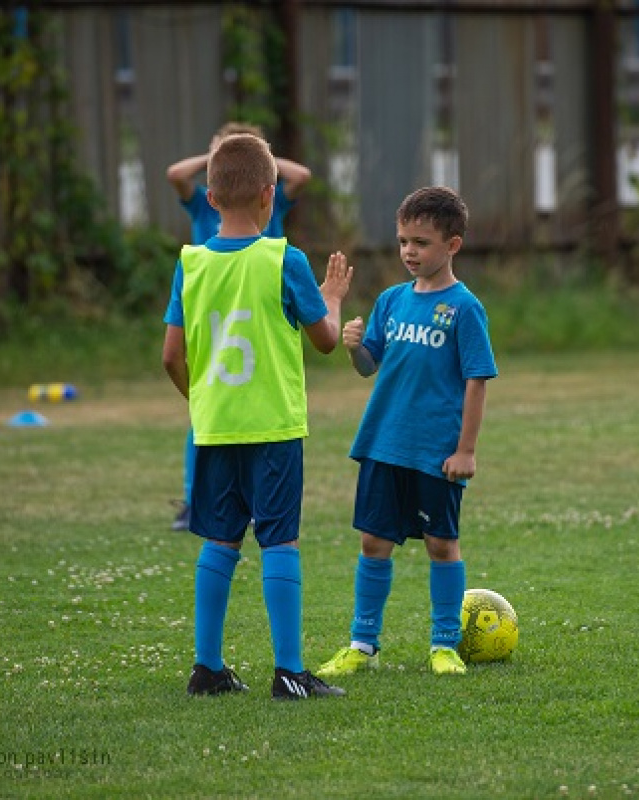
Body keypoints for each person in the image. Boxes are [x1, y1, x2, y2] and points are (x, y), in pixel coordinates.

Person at [162, 132, 351, 700]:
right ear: (271, 196)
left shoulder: (190, 263)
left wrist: (202, 403)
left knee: (220, 541)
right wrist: (333, 296)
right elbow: (324, 341)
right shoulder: (283, 259)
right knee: (279, 542)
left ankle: (207, 668)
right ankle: (289, 671)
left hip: (214, 428)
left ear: (211, 199)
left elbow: (171, 356)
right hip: (272, 427)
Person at [316, 186, 497, 678]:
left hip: (436, 452)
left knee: (441, 544)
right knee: (373, 542)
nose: (409, 252)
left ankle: (444, 645)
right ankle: (362, 643)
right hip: (383, 443)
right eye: (402, 241)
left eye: (421, 242)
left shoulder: (464, 308)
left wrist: (466, 450)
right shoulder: (392, 301)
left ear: (452, 246)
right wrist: (354, 347)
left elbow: (476, 381)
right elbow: (369, 366)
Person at [166, 121, 312, 531]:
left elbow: (300, 177)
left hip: (262, 309)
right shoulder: (201, 208)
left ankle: (234, 508)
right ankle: (196, 500)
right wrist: (222, 158)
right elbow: (175, 174)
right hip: (222, 308)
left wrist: (251, 157)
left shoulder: (273, 206)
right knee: (213, 424)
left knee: (219, 418)